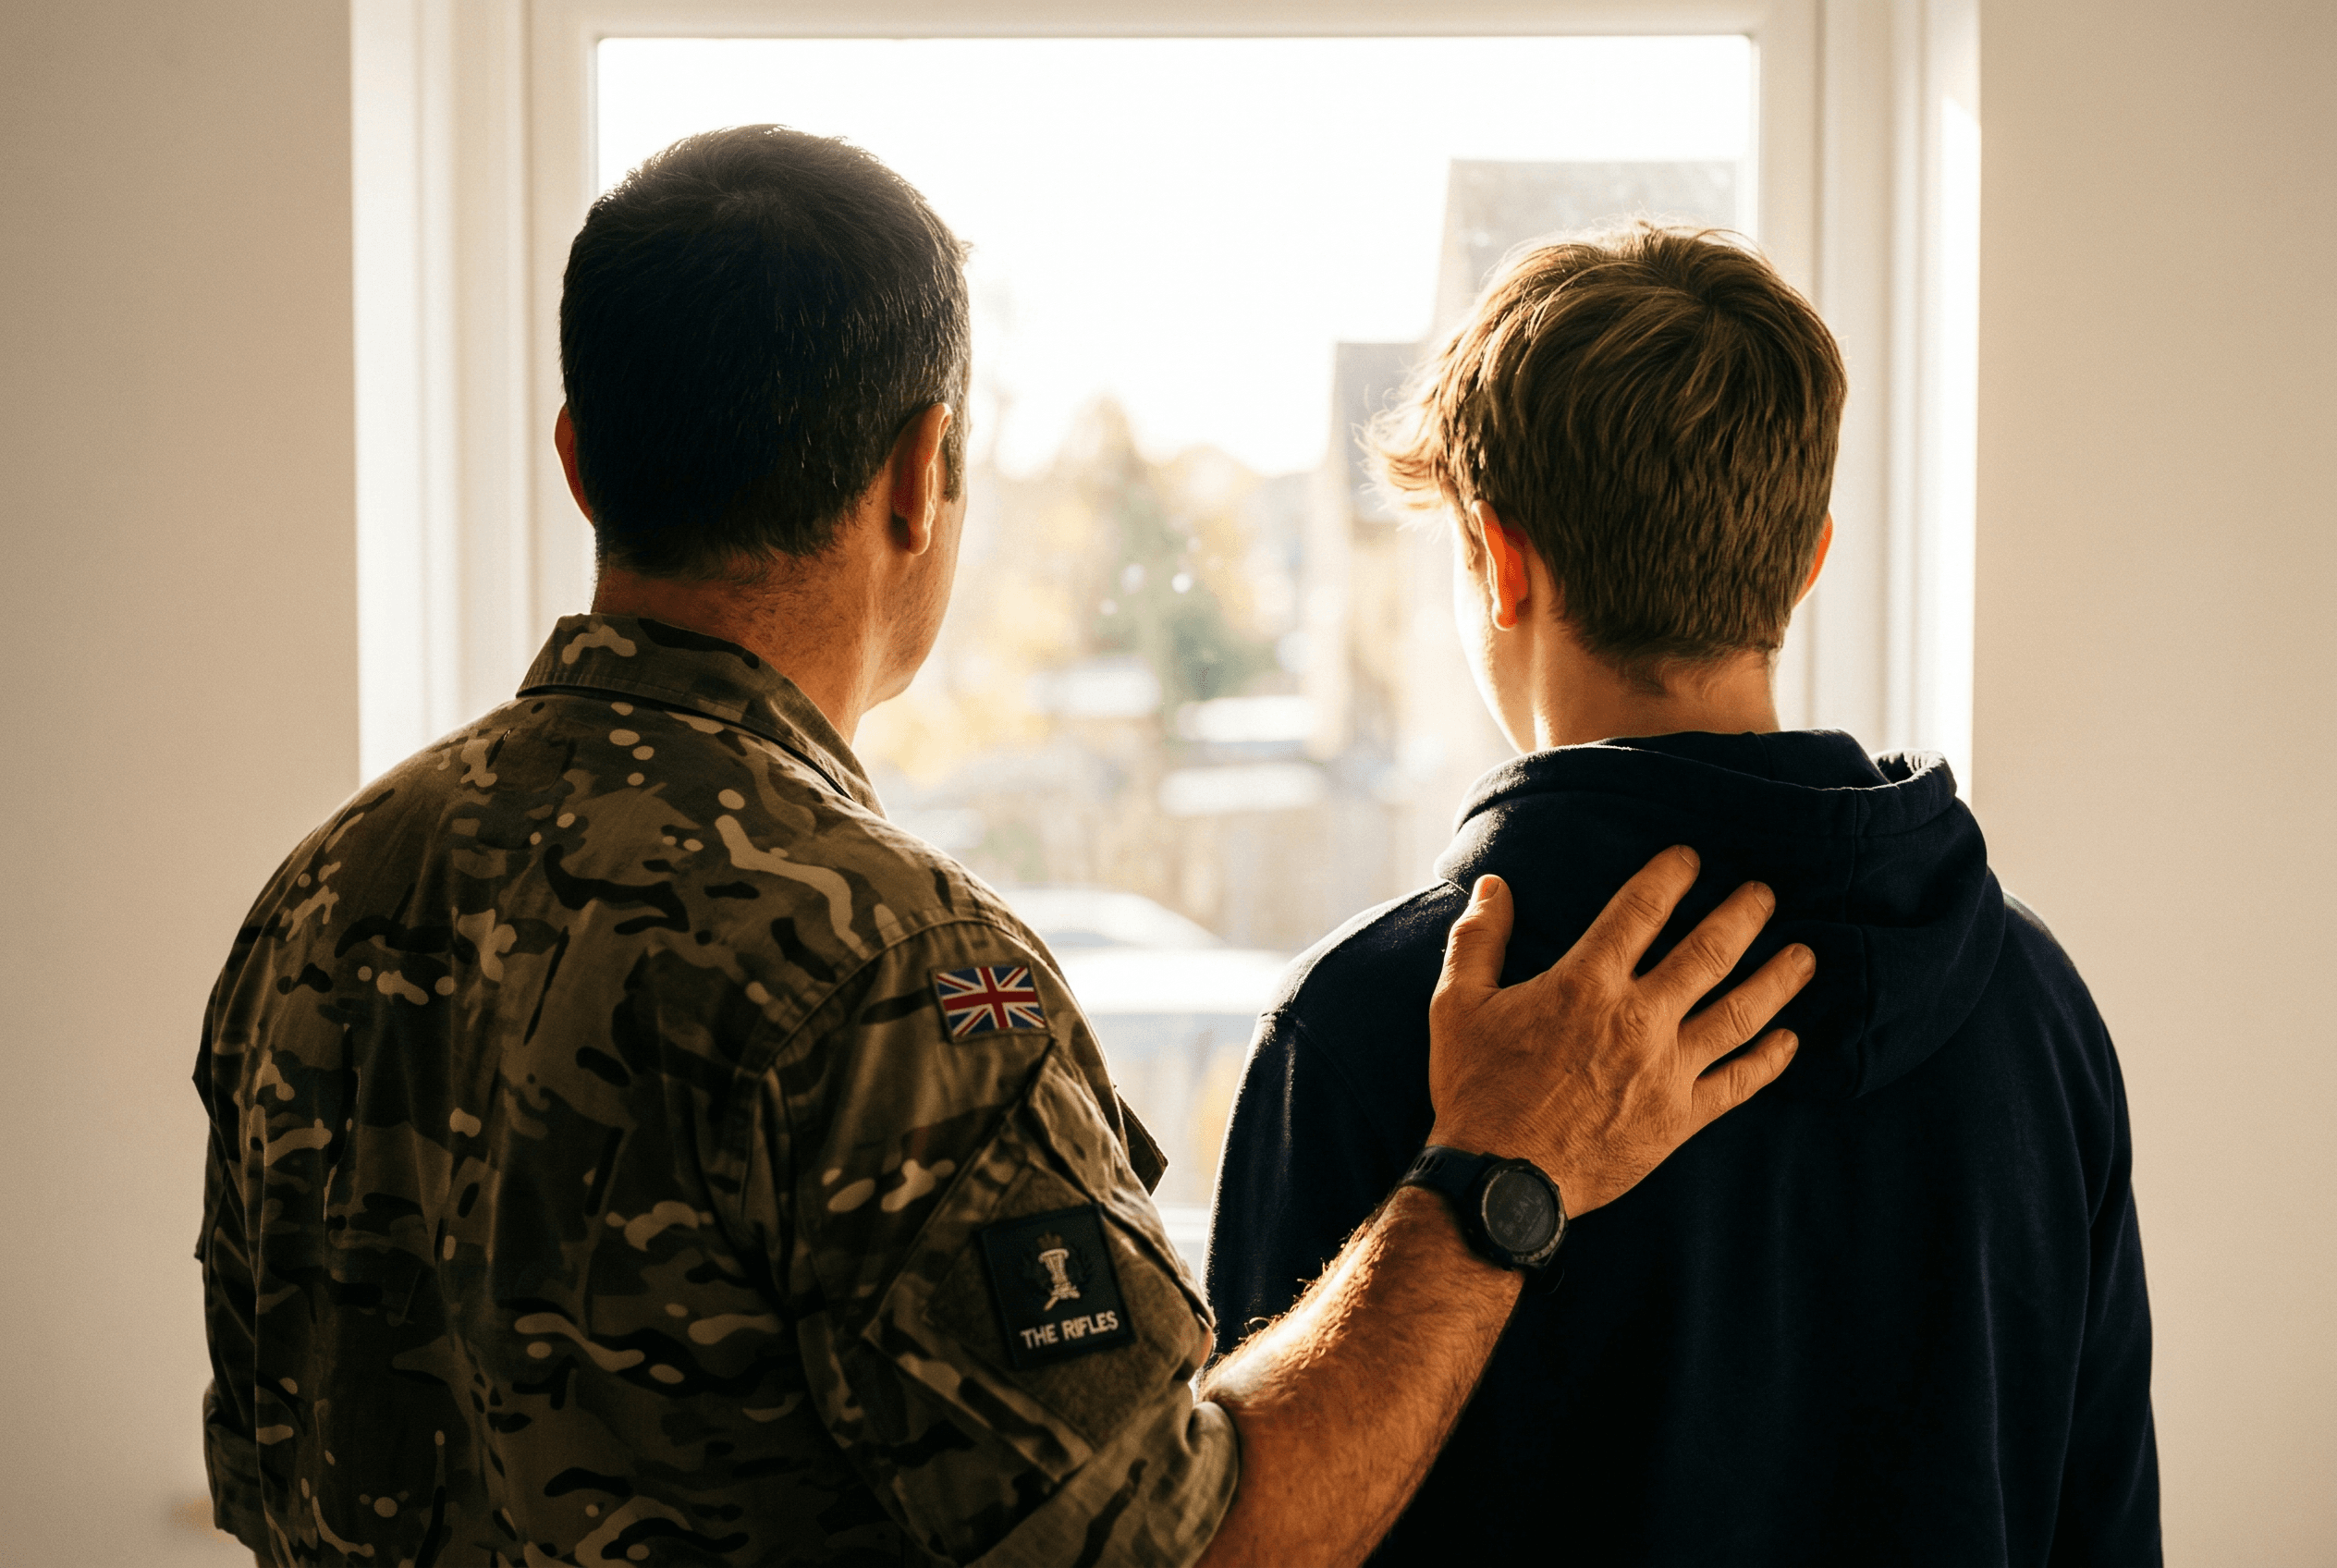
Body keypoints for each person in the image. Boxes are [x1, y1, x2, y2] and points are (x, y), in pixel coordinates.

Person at [194, 129, 1816, 1568]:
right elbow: (1184, 1547)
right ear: (923, 474)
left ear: (578, 460)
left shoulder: (323, 901)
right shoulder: (885, 969)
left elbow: (265, 1469)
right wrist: (1496, 1182)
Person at [1205, 224, 2160, 1565]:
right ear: (1809, 558)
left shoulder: (1377, 1024)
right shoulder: (2035, 1005)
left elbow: (1234, 1526)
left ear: (1500, 559)